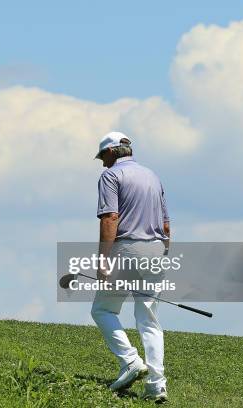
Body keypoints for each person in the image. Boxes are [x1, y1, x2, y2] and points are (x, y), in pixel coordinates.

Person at [90, 131, 170, 402]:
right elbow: (166, 225)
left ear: (112, 152)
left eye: (103, 156)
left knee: (102, 309)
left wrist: (103, 258)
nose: (102, 163)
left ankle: (130, 361)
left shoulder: (111, 176)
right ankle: (157, 385)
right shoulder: (153, 177)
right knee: (149, 320)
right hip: (156, 250)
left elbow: (111, 218)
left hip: (127, 250)